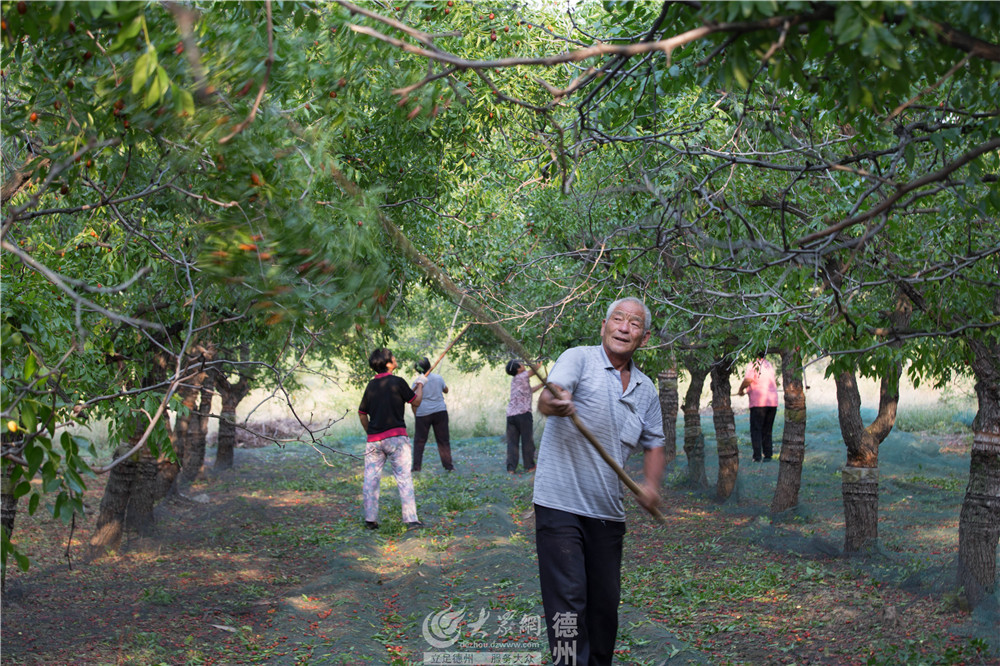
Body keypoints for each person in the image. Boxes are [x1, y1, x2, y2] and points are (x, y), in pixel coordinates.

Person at [533, 296, 666, 666]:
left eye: (634, 323)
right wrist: (555, 402)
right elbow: (549, 397)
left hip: (608, 513)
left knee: (604, 610)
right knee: (568, 602)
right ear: (604, 325)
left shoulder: (645, 390)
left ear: (645, 336)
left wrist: (651, 486)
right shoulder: (579, 358)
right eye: (618, 319)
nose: (624, 327)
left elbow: (654, 444)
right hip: (560, 505)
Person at [358, 348, 424, 530]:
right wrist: (420, 383)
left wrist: (370, 432)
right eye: (393, 357)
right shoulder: (398, 382)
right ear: (388, 363)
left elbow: (362, 413)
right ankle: (410, 520)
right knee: (404, 478)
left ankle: (370, 520)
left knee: (371, 479)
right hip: (397, 439)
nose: (395, 358)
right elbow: (416, 401)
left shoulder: (371, 386)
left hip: (374, 441)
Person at [411, 357, 454, 472]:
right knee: (443, 440)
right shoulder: (438, 378)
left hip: (423, 413)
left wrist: (416, 415)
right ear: (429, 366)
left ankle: (416, 468)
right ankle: (448, 466)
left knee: (419, 441)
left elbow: (413, 402)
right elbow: (446, 390)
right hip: (440, 412)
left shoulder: (416, 383)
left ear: (417, 369)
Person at [737, 352, 779, 462]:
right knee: (767, 429)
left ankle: (757, 457)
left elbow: (748, 380)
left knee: (756, 429)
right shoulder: (768, 365)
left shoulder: (753, 364)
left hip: (759, 402)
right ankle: (768, 455)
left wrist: (741, 389)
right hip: (772, 402)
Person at [504, 359, 542, 473]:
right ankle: (529, 466)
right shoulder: (523, 376)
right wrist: (539, 359)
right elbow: (535, 369)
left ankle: (511, 468)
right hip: (523, 414)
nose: (523, 364)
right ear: (518, 369)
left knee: (512, 442)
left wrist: (543, 383)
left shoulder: (516, 380)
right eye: (521, 363)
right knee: (527, 440)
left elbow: (529, 391)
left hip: (511, 415)